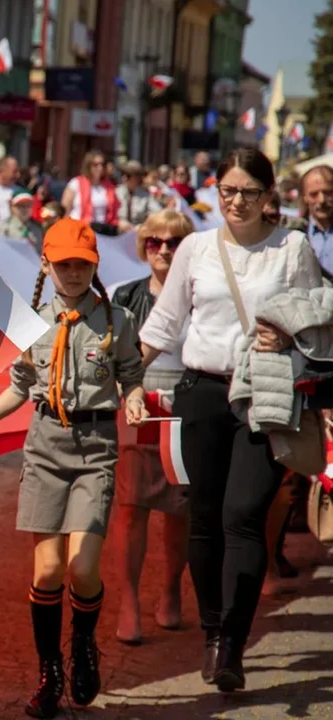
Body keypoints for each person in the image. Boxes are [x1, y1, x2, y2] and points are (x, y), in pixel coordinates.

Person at [0, 217, 147, 719]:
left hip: (96, 447)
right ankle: (49, 671)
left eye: (82, 263)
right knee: (49, 569)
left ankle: (82, 643)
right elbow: (18, 387)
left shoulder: (116, 320)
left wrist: (138, 397)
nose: (73, 272)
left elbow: (131, 374)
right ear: (47, 265)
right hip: (45, 448)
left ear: (94, 265)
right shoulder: (32, 324)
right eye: (64, 264)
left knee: (82, 568)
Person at [139, 148, 323, 692]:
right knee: (203, 516)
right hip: (200, 392)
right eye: (227, 191)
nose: (236, 201)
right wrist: (124, 372)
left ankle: (233, 645)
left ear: (270, 197)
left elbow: (320, 319)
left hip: (264, 395)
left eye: (248, 192)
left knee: (243, 514)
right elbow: (165, 323)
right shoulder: (195, 247)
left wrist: (290, 334)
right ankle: (213, 631)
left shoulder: (292, 248)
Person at [109, 210, 194, 645]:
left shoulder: (201, 294)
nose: (163, 250)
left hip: (186, 405)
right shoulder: (123, 296)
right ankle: (128, 602)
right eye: (154, 242)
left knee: (179, 509)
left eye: (174, 242)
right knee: (131, 506)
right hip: (137, 403)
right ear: (143, 247)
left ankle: (170, 589)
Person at [62, 151, 120, 232]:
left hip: (102, 232)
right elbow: (65, 211)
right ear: (88, 166)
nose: (100, 168)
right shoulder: (75, 183)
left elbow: (115, 211)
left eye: (102, 165)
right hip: (78, 230)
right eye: (95, 165)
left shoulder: (110, 187)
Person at [116, 161, 163, 232]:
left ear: (137, 177)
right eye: (123, 174)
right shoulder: (116, 192)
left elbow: (158, 212)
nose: (124, 178)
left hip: (137, 232)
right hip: (117, 232)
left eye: (128, 175)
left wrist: (144, 225)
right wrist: (118, 222)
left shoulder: (145, 195)